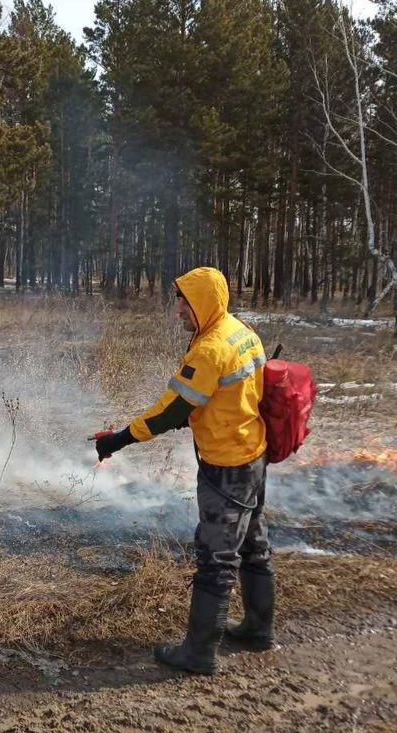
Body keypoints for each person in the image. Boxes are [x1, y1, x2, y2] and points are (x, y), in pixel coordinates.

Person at [95, 266, 274, 675]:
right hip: (254, 454)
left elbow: (174, 410)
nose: (178, 310)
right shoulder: (242, 332)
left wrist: (119, 439)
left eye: (183, 301)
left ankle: (198, 654)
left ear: (203, 303)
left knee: (216, 558)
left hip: (226, 467)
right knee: (254, 545)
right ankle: (259, 630)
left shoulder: (210, 350)